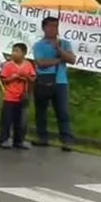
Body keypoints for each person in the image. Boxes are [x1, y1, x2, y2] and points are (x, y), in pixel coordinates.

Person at [32, 16, 77, 151]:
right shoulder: (39, 45)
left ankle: (66, 140)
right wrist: (58, 61)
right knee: (41, 111)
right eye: (50, 26)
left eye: (56, 26)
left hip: (60, 81)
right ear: (44, 28)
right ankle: (42, 137)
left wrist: (60, 51)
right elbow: (41, 63)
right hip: (43, 80)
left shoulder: (64, 43)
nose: (53, 29)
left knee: (62, 112)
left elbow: (72, 59)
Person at [0, 43, 36, 149]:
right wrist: (13, 77)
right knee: (7, 119)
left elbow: (33, 79)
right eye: (13, 51)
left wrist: (25, 76)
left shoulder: (28, 65)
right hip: (10, 96)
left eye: (17, 51)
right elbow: (3, 79)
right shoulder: (8, 65)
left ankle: (18, 141)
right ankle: (3, 139)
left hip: (22, 96)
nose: (14, 53)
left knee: (20, 120)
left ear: (24, 53)